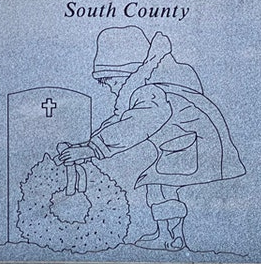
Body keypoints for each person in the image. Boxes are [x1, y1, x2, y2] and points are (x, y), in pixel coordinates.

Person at [57, 26, 245, 251]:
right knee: (158, 184)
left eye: (112, 81)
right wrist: (88, 146)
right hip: (184, 143)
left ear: (129, 72)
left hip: (196, 145)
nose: (110, 88)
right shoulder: (149, 86)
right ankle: (169, 236)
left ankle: (170, 237)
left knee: (159, 185)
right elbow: (119, 121)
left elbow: (137, 124)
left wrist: (92, 149)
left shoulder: (150, 91)